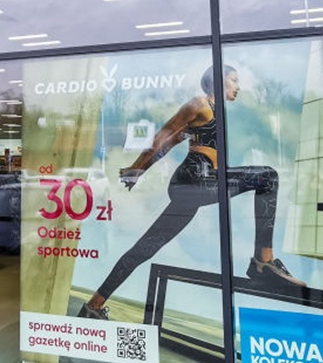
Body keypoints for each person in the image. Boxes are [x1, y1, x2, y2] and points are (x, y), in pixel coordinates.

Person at [79, 65, 304, 320]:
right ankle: (263, 263)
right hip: (193, 179)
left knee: (144, 248)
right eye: (234, 80)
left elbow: (173, 141)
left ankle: (92, 307)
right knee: (268, 177)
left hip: (200, 183)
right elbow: (162, 137)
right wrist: (136, 169)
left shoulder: (215, 113)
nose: (238, 86)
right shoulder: (199, 104)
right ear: (218, 81)